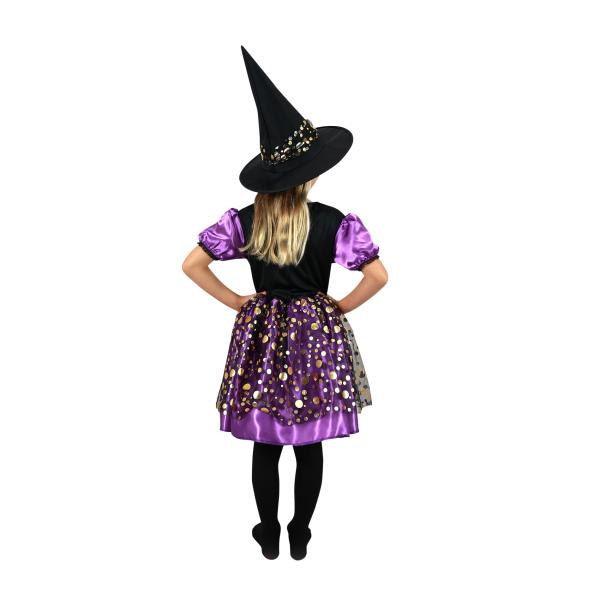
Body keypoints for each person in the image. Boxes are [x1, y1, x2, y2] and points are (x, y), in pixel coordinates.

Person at [182, 46, 388, 560]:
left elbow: (192, 264)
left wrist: (237, 300)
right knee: (309, 441)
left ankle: (268, 530)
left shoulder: (246, 221)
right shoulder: (332, 221)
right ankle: (300, 530)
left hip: (264, 333)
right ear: (312, 173)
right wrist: (339, 307)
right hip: (316, 333)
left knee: (267, 440)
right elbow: (378, 276)